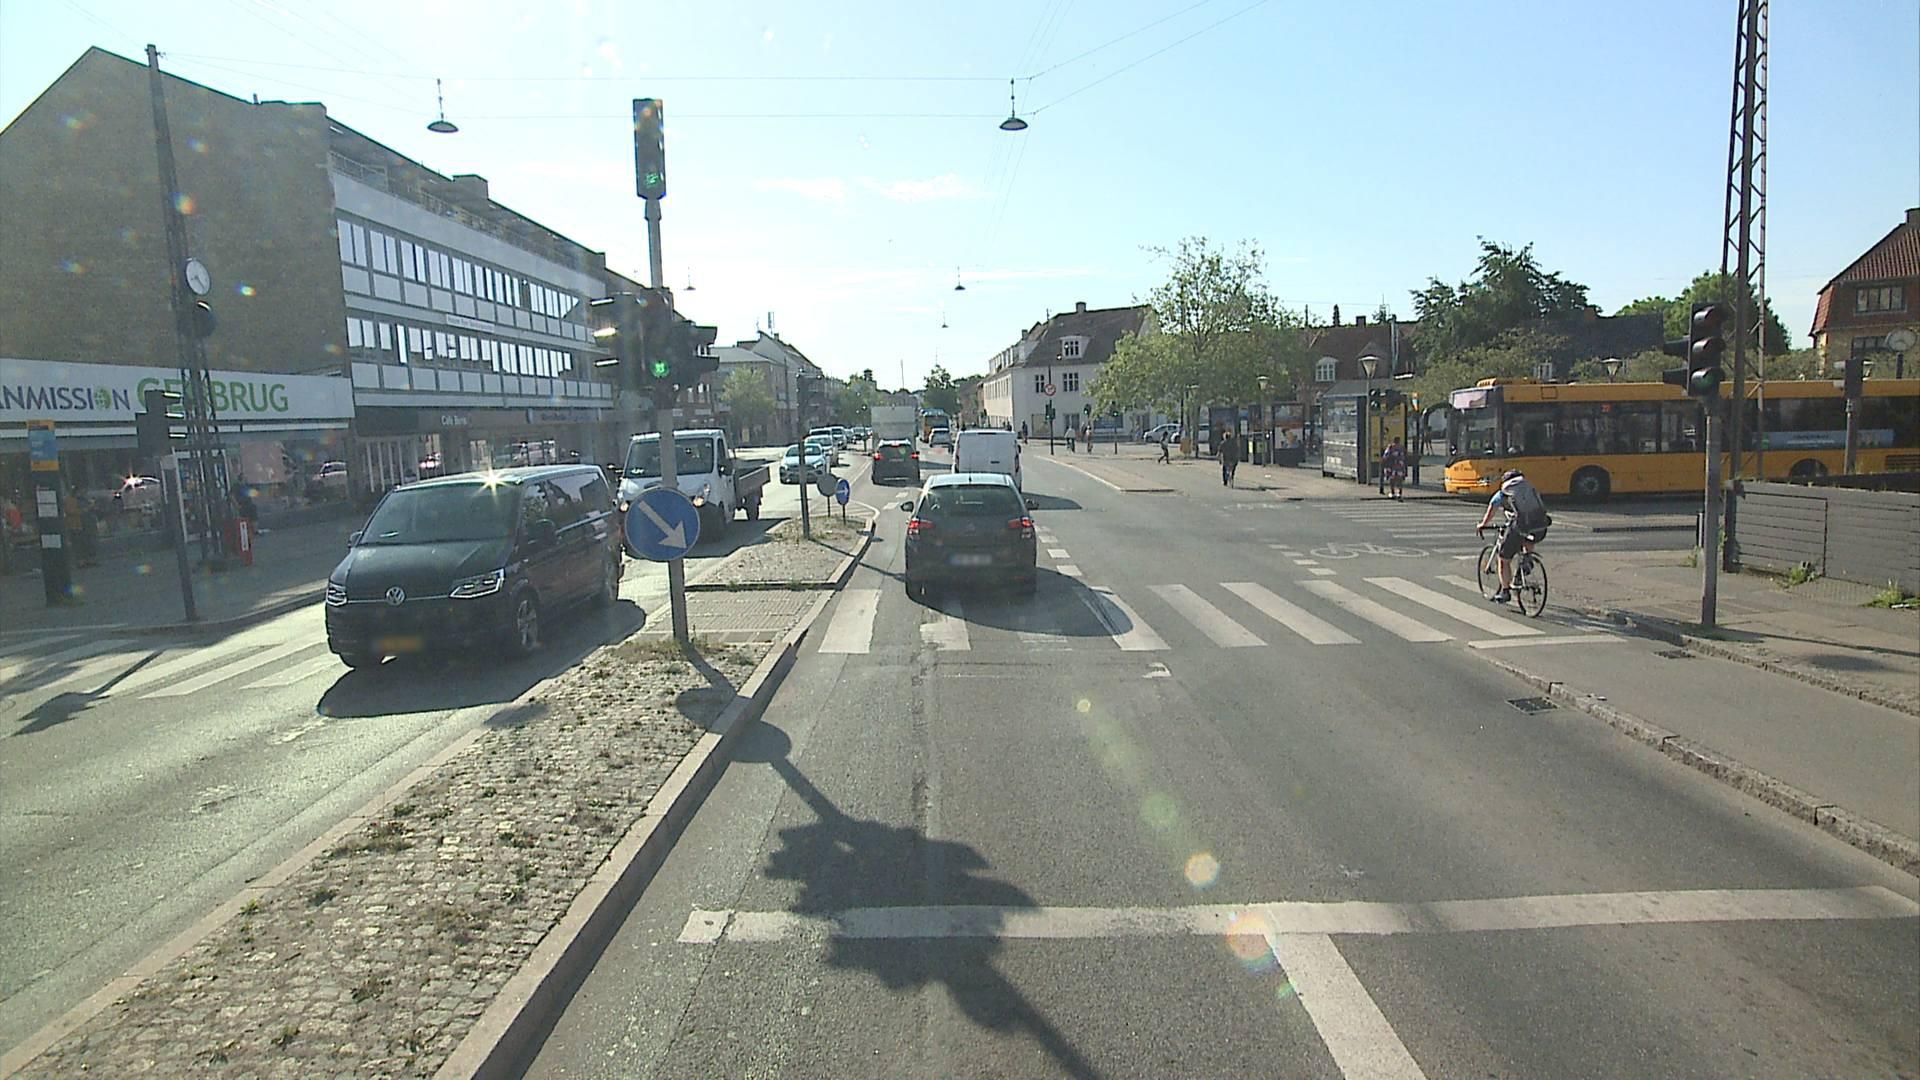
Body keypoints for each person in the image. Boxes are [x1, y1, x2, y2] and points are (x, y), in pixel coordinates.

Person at [1475, 469, 1551, 604]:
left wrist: (1482, 524)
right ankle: (1526, 561)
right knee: (1528, 538)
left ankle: (1505, 592)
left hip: (1521, 526)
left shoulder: (1504, 491)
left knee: (1503, 559)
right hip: (1541, 526)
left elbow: (1492, 508)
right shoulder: (1530, 488)